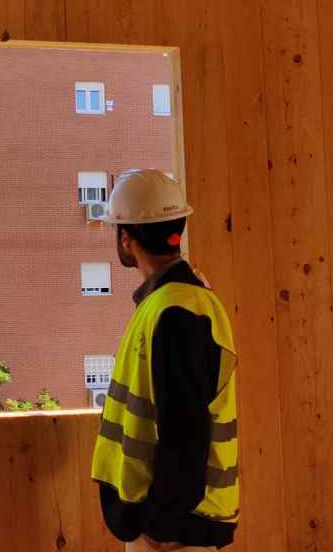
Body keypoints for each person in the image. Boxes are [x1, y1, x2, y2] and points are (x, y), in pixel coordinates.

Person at [90, 169, 239, 551]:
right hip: (174, 526)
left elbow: (186, 436)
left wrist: (159, 527)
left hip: (176, 535)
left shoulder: (175, 314)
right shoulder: (175, 304)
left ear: (126, 238)